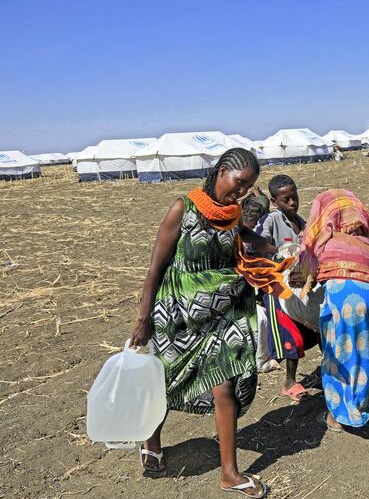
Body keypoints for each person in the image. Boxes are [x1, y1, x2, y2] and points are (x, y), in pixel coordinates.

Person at [130, 148, 284, 499]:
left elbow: (247, 238)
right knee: (166, 382)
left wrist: (275, 249)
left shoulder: (233, 215)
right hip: (177, 315)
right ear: (222, 171)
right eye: (239, 182)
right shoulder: (182, 209)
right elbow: (155, 267)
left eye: (248, 187)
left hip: (219, 314)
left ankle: (229, 473)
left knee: (225, 383)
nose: (241, 191)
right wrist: (142, 319)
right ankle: (151, 443)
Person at [299, 189, 369, 432]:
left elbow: (306, 268)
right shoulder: (368, 242)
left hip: (346, 299)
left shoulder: (324, 239)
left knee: (340, 355)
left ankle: (342, 415)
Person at [253, 174, 318, 402]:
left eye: (294, 197)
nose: (292, 203)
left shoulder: (301, 222)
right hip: (275, 284)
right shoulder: (272, 220)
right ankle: (289, 381)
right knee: (289, 328)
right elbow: (257, 244)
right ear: (274, 202)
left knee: (317, 321)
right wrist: (280, 252)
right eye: (286, 200)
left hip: (298, 280)